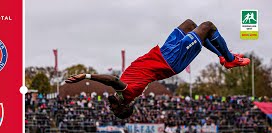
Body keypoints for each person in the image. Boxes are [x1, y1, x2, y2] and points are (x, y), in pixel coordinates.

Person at [66, 19, 251, 119]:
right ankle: (229, 59)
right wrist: (86, 76)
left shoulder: (123, 93)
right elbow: (112, 80)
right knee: (207, 26)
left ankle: (222, 56)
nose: (110, 105)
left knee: (189, 25)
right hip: (170, 61)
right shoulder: (128, 93)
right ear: (124, 105)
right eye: (114, 109)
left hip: (162, 52)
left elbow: (114, 82)